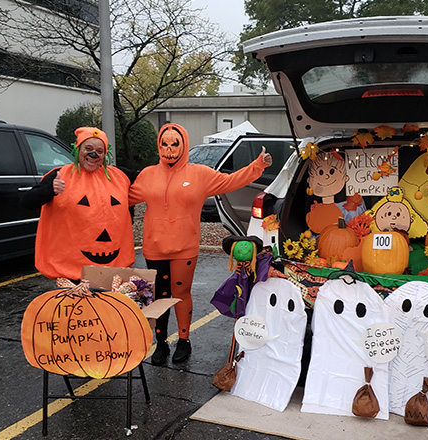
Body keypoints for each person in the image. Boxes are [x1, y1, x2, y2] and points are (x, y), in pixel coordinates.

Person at [129, 123, 272, 365]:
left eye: (175, 143)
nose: (170, 149)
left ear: (183, 144)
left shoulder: (200, 174)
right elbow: (121, 197)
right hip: (154, 246)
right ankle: (160, 343)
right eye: (164, 143)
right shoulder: (147, 175)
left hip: (185, 247)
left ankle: (184, 340)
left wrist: (258, 166)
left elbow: (231, 181)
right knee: (160, 296)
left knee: (181, 293)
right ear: (158, 145)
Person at [21, 127, 137, 281]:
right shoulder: (60, 175)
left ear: (105, 154)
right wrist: (50, 190)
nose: (93, 154)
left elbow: (150, 180)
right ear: (77, 149)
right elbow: (27, 202)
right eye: (88, 149)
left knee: (106, 305)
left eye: (99, 151)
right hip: (71, 269)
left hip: (111, 268)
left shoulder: (119, 176)